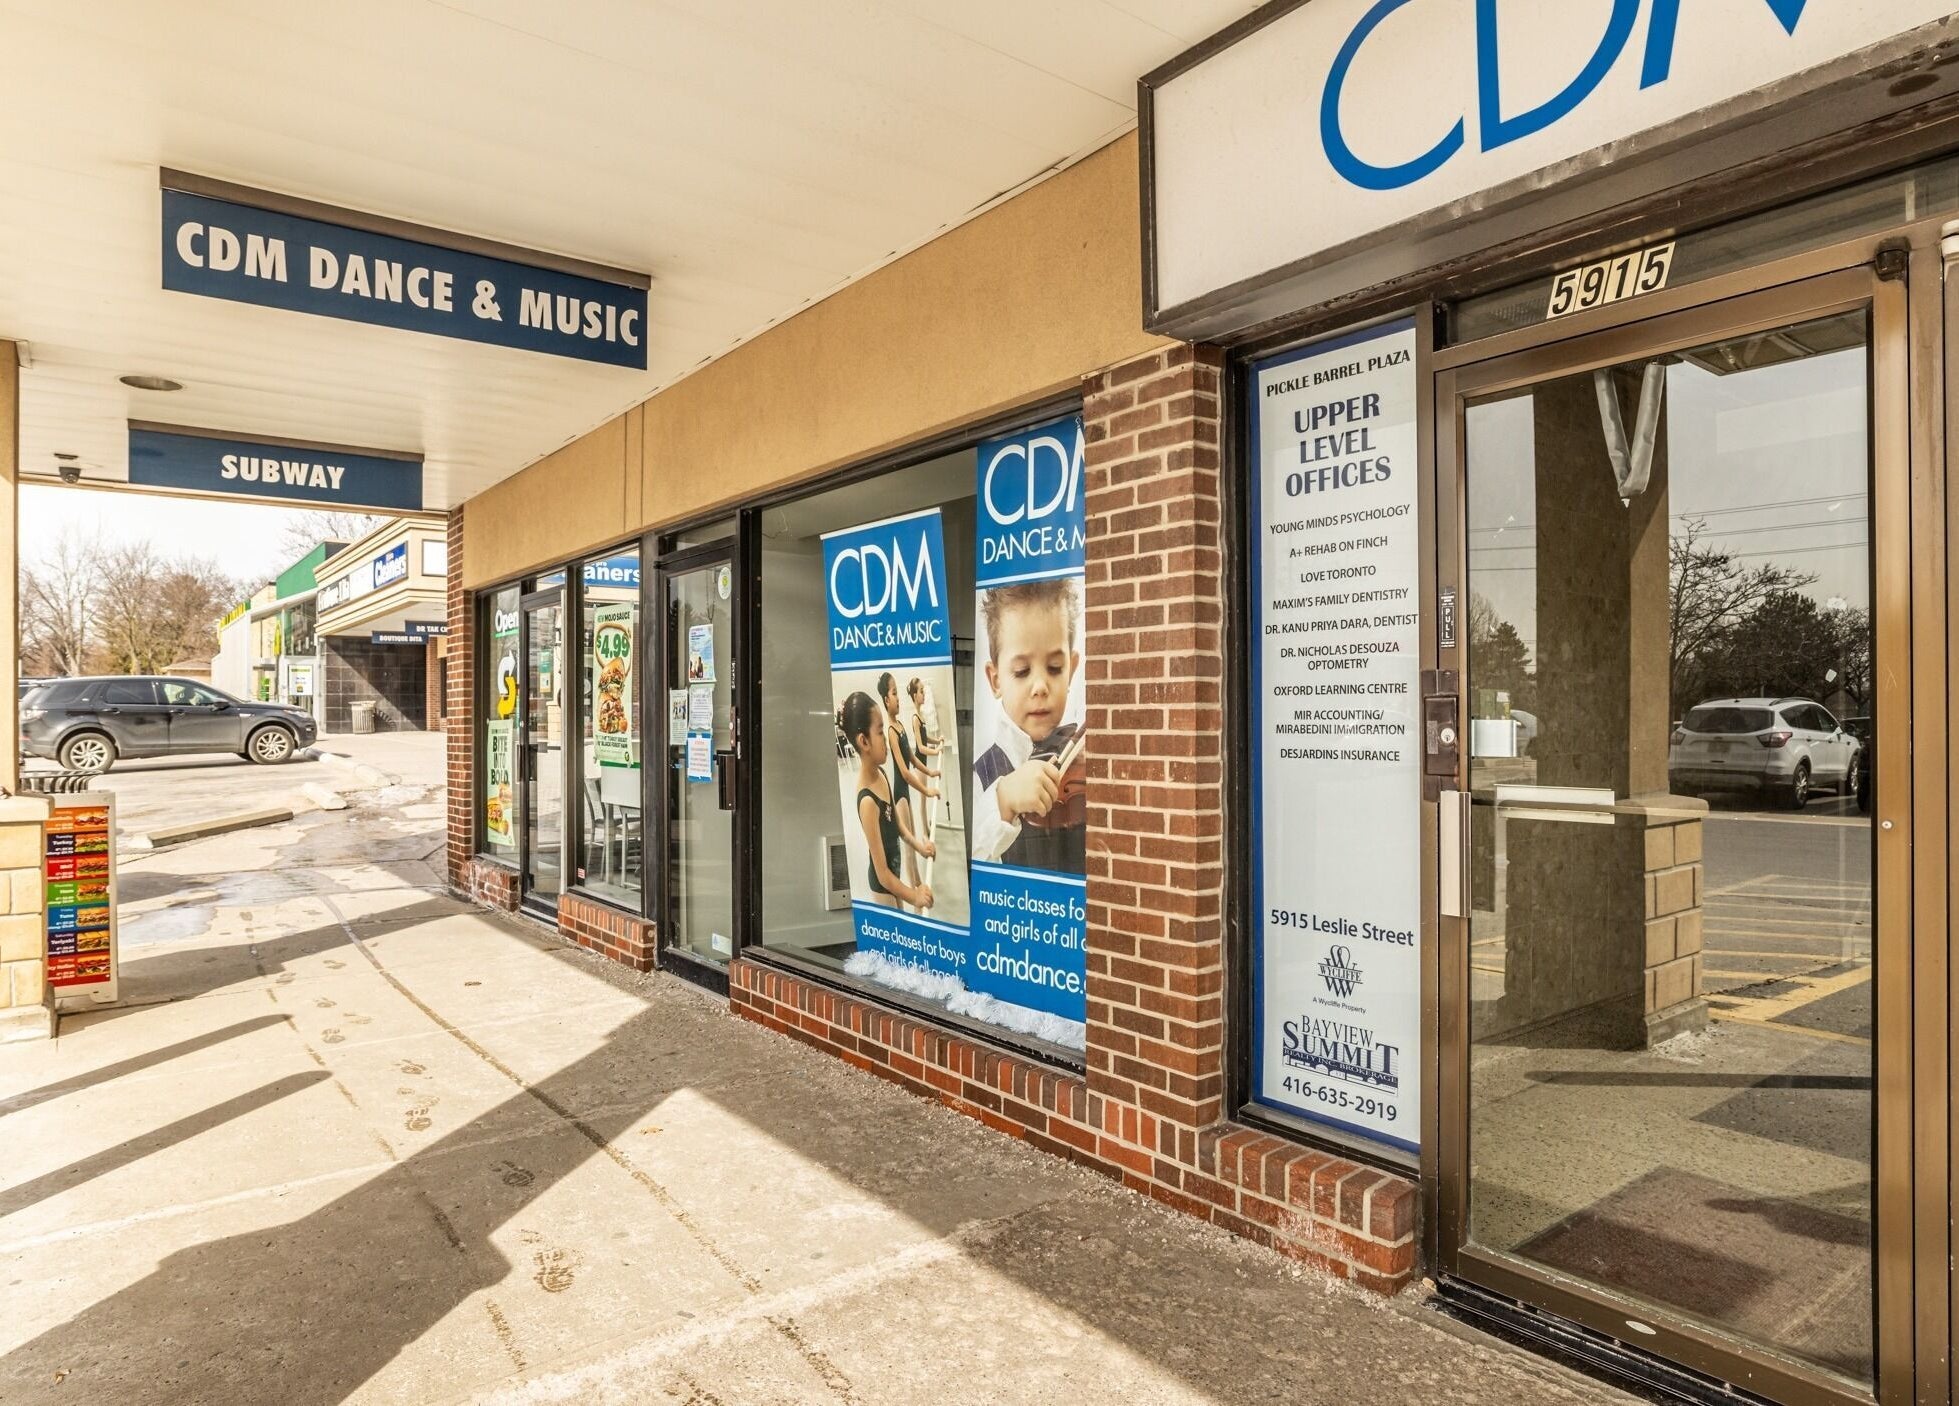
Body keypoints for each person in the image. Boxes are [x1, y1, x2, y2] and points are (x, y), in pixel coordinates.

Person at [972, 578, 1086, 870]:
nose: (1040, 686)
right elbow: (968, 866)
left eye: (1054, 668)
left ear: (1071, 671)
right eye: (1022, 671)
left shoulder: (1085, 758)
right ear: (995, 680)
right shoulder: (981, 774)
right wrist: (1004, 800)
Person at [838, 692, 932, 911]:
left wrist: (920, 847)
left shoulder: (882, 774)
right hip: (884, 886)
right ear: (864, 741)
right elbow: (882, 874)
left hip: (895, 874)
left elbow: (898, 825)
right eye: (880, 732)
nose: (886, 740)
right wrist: (914, 896)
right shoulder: (867, 802)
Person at [878, 671, 937, 885]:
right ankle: (916, 890)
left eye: (897, 693)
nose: (898, 698)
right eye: (894, 694)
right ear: (886, 699)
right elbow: (904, 771)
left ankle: (920, 885)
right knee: (910, 850)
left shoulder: (901, 725)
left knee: (912, 845)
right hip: (900, 794)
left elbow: (912, 756)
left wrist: (930, 773)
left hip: (905, 793)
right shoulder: (891, 731)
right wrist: (926, 789)